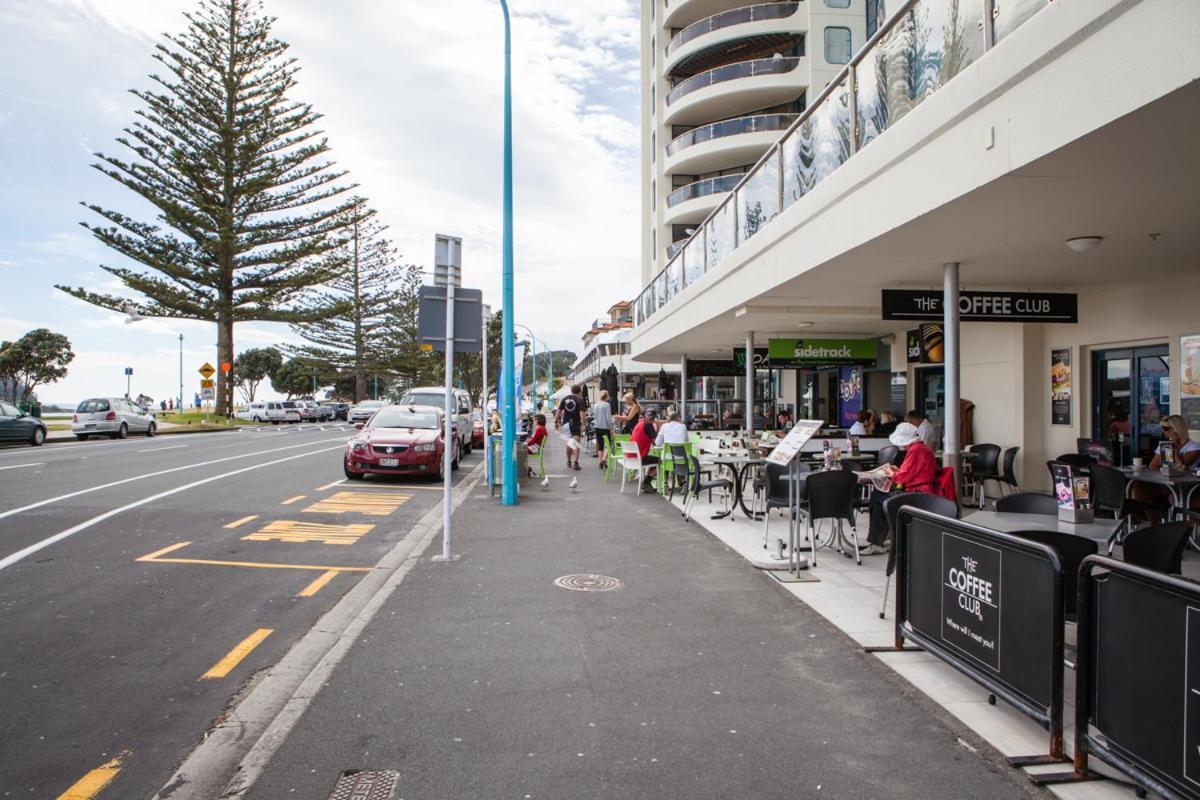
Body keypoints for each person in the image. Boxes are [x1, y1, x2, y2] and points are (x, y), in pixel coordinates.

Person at [863, 422, 937, 555]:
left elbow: (902, 478)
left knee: (877, 497)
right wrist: (896, 470)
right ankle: (878, 540)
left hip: (916, 494)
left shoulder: (915, 451)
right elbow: (912, 471)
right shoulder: (921, 449)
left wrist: (891, 473)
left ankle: (876, 540)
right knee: (880, 499)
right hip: (922, 492)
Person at [555, 384, 585, 471]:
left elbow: (559, 411)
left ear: (571, 391)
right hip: (575, 423)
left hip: (566, 424)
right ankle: (575, 462)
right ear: (579, 391)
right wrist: (584, 424)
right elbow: (582, 413)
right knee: (576, 443)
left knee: (569, 443)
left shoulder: (564, 399)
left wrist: (556, 421)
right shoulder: (580, 399)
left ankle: (568, 461)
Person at [630, 408, 660, 492]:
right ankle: (646, 482)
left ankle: (647, 482)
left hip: (630, 458)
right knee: (660, 460)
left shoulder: (639, 424)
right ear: (654, 418)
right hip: (639, 458)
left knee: (653, 459)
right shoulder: (649, 425)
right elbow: (656, 442)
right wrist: (657, 428)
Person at [591, 390, 614, 469]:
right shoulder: (607, 405)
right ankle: (604, 459)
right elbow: (608, 417)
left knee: (600, 445)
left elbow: (594, 416)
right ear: (607, 396)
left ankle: (600, 461)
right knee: (608, 445)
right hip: (605, 427)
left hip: (597, 426)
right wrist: (611, 427)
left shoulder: (595, 405)